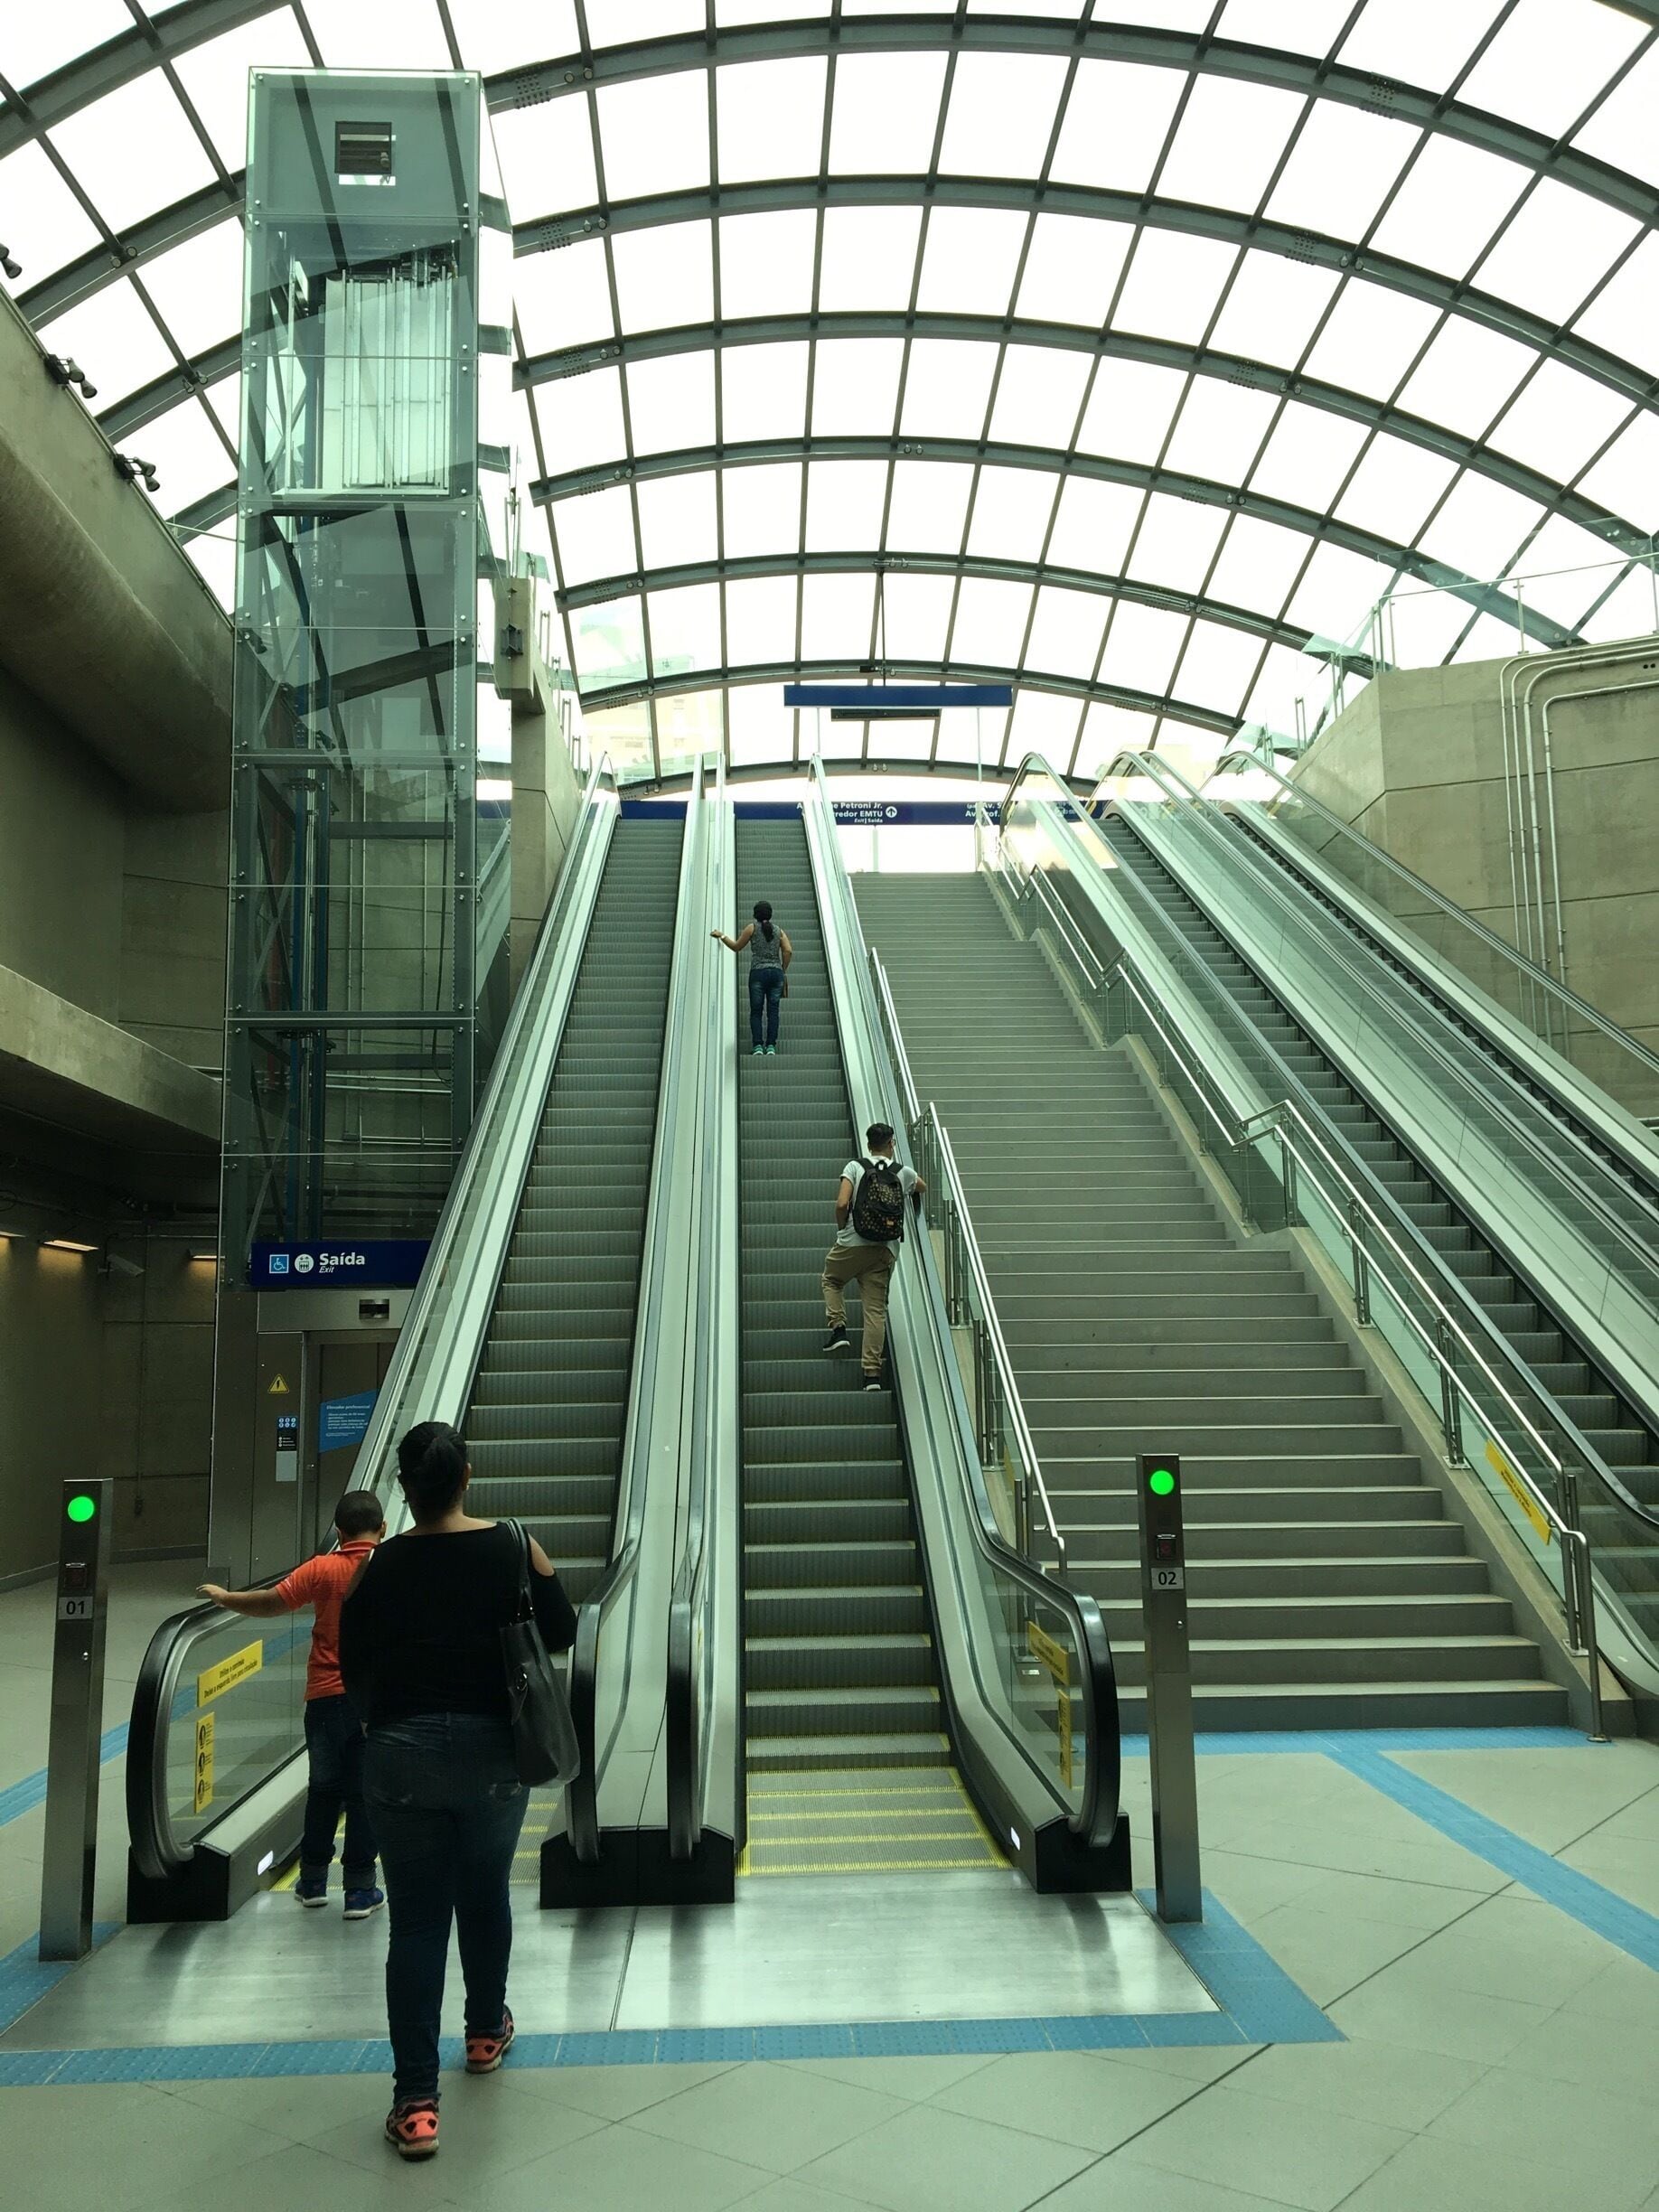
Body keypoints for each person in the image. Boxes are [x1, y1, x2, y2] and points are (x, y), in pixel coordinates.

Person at [338, 1420, 577, 2163]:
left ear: (405, 1490)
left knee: (414, 1924)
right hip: (494, 1752)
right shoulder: (513, 1543)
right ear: (467, 1475)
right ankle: (483, 2033)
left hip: (402, 1753)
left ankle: (415, 2105)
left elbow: (352, 1663)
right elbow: (563, 1630)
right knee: (485, 1893)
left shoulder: (377, 1567)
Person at [200, 1489, 386, 1918]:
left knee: (322, 1791)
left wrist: (226, 1597)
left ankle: (314, 1881)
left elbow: (271, 1603)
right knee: (362, 1796)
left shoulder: (322, 1568)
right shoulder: (389, 1566)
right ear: (383, 1528)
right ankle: (360, 1890)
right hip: (371, 1702)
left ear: (338, 1532)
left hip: (322, 1698)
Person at [822, 1121, 925, 1389]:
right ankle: (871, 1375)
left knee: (832, 1281)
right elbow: (921, 1187)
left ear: (868, 1145)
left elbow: (842, 1203)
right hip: (884, 1249)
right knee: (875, 1312)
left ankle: (839, 1329)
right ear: (891, 1144)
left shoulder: (855, 1167)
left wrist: (842, 1227)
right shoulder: (902, 1172)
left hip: (851, 1243)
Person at [713, 898, 792, 1055]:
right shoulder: (779, 930)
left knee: (756, 1011)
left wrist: (721, 936)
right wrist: (782, 969)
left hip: (758, 974)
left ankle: (757, 1046)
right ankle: (771, 1046)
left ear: (755, 914)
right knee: (773, 1011)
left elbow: (736, 947)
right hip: (776, 974)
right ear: (770, 914)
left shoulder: (752, 928)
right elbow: (788, 951)